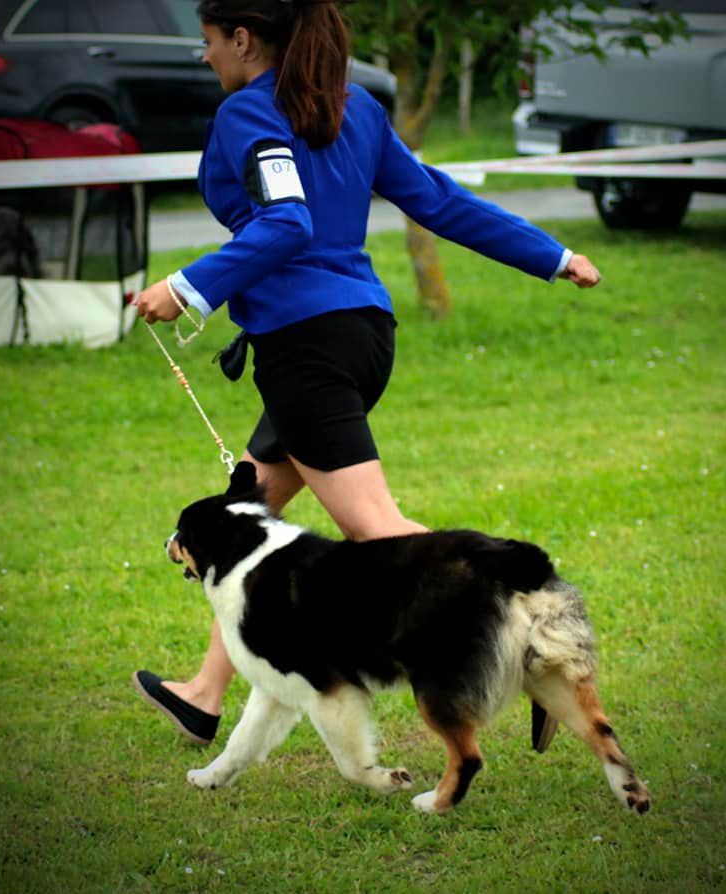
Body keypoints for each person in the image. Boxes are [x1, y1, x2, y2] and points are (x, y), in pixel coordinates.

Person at [131, 0, 601, 748]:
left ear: (244, 39)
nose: (207, 58)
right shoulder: (353, 109)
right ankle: (203, 693)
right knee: (249, 517)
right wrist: (551, 255)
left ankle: (531, 643)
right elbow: (440, 201)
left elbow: (287, 224)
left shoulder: (251, 115)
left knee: (377, 533)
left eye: (209, 43)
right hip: (358, 333)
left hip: (307, 347)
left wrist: (184, 289)